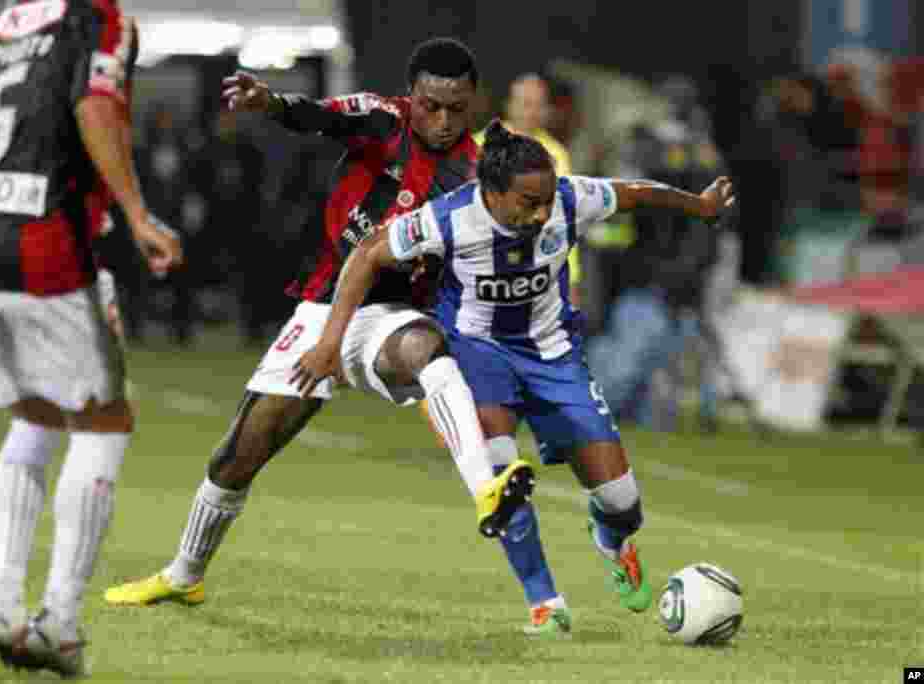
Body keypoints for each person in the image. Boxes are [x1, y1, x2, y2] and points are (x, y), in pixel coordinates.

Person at [104, 38, 535, 611]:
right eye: (432, 105)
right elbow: (322, 114)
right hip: (323, 307)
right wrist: (270, 102)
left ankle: (486, 491)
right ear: (413, 97)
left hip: (391, 314)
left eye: (457, 108)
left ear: (474, 102)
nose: (443, 120)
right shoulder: (384, 121)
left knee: (429, 352)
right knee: (237, 455)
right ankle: (184, 574)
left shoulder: (475, 176)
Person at [293, 121, 735, 633]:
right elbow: (369, 251)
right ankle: (546, 603)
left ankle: (611, 538)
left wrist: (698, 206)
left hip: (553, 356)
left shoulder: (569, 199)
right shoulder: (450, 217)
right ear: (492, 193)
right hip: (479, 355)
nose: (543, 212)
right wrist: (330, 342)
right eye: (529, 202)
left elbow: (634, 192)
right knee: (502, 476)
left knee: (622, 501)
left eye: (547, 200)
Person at [0, 0, 183, 676]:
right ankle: (60, 621)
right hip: (39, 237)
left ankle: (3, 604)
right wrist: (135, 212)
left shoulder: (2, 20)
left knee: (37, 413)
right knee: (104, 422)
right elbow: (95, 107)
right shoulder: (99, 17)